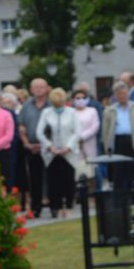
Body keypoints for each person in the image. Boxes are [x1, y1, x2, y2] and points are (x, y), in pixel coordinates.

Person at [36, 88, 81, 218]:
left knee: (68, 180)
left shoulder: (72, 112)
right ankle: (55, 206)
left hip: (68, 152)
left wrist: (69, 147)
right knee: (53, 181)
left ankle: (68, 206)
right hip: (52, 153)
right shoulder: (46, 113)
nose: (58, 105)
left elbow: (77, 132)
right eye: (55, 103)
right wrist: (50, 147)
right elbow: (39, 132)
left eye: (60, 103)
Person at [101, 80, 134, 199]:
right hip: (118, 142)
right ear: (115, 96)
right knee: (119, 172)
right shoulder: (110, 110)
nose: (122, 96)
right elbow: (105, 131)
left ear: (128, 93)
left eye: (124, 93)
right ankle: (120, 199)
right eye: (119, 94)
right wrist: (107, 147)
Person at [18, 78, 50, 217]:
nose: (38, 89)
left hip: (49, 147)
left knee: (50, 177)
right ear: (31, 89)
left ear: (47, 88)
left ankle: (54, 205)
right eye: (35, 87)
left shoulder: (51, 105)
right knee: (34, 179)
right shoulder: (26, 105)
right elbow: (21, 126)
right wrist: (26, 143)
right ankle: (35, 208)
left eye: (41, 87)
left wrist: (46, 144)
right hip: (31, 146)